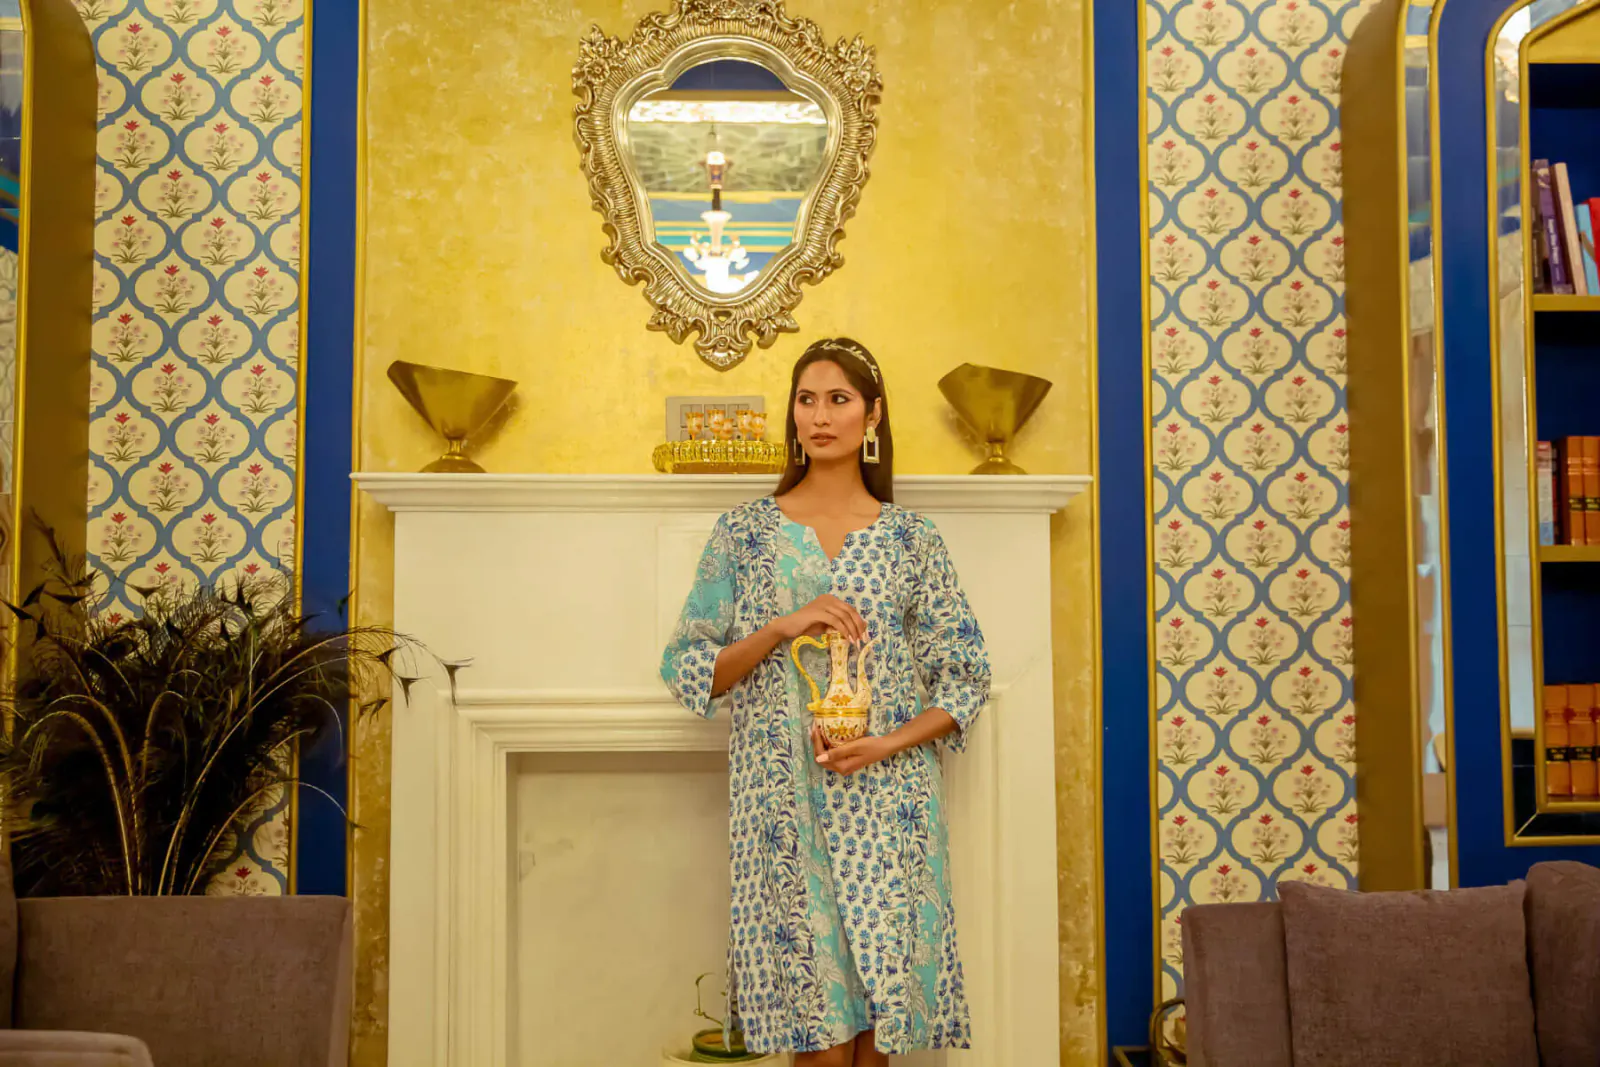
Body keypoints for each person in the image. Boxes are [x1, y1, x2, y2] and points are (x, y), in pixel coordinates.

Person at [660, 337, 991, 1066]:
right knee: (815, 1040)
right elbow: (687, 665)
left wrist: (886, 743)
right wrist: (780, 625)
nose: (819, 415)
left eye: (838, 399)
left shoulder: (912, 539)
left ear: (871, 414)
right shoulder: (744, 534)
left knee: (876, 1043)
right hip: (782, 806)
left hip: (890, 802)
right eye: (805, 399)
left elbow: (967, 678)